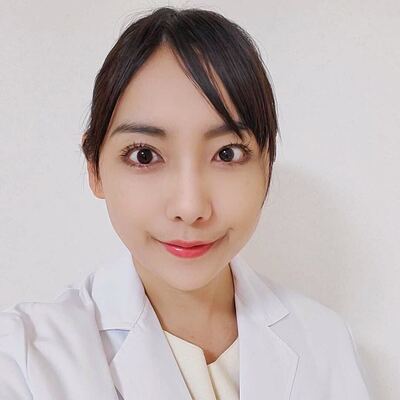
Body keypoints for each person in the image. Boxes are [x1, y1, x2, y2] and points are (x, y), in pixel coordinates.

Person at [0, 6, 371, 400]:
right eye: (144, 155)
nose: (190, 207)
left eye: (227, 154)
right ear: (95, 168)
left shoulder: (326, 342)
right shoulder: (23, 359)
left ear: (268, 164)